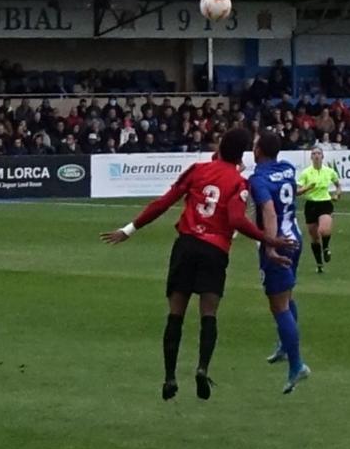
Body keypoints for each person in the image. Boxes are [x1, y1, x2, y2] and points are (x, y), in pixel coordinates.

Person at [100, 128, 293, 401]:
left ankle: (169, 377)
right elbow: (237, 221)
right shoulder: (238, 183)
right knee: (208, 314)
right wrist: (268, 239)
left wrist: (129, 229)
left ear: (221, 145)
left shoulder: (197, 170)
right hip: (214, 252)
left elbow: (164, 203)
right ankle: (202, 368)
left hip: (186, 247)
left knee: (175, 314)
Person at [249, 132, 310, 393]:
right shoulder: (286, 169)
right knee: (287, 295)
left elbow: (269, 211)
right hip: (295, 237)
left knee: (279, 305)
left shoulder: (258, 179)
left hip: (279, 242)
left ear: (259, 150)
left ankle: (297, 366)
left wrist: (271, 245)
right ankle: (286, 346)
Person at [297, 147, 342, 274]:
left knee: (324, 230)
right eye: (314, 154)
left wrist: (337, 194)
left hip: (325, 203)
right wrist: (307, 188)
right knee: (314, 237)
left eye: (318, 153)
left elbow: (338, 185)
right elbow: (297, 191)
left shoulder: (329, 171)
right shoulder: (306, 173)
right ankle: (319, 264)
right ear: (311, 157)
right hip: (311, 205)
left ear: (322, 157)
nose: (316, 156)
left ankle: (326, 247)